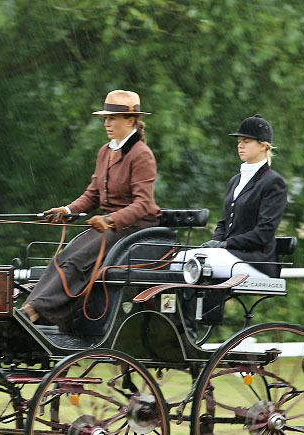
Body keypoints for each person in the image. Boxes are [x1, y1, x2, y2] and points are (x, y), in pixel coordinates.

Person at [21, 89, 160, 329]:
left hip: (132, 228)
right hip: (107, 227)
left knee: (77, 261)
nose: (106, 123)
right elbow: (93, 194)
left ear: (130, 121)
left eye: (112, 118)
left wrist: (110, 220)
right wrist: (67, 210)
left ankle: (35, 312)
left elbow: (143, 204)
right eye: (105, 119)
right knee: (63, 257)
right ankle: (31, 311)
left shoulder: (141, 155)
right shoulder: (106, 151)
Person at [174, 114, 287, 278]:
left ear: (263, 146)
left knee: (193, 263)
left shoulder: (273, 182)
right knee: (178, 260)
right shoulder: (235, 180)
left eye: (246, 142)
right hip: (230, 255)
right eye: (239, 141)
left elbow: (264, 233)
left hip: (256, 261)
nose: (240, 146)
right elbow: (223, 224)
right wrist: (213, 243)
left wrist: (224, 244)